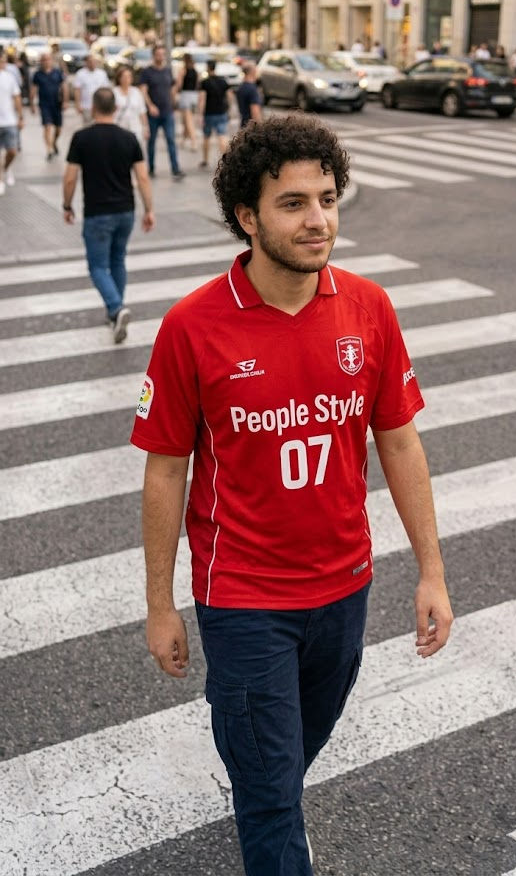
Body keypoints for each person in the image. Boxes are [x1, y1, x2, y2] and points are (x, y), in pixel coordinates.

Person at [130, 114, 454, 876]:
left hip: (345, 586)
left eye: (328, 199)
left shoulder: (367, 308)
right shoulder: (191, 326)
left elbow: (399, 440)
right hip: (243, 598)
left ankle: (263, 795)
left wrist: (431, 571)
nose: (319, 221)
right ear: (246, 217)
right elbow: (165, 469)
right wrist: (159, 602)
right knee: (273, 796)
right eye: (293, 204)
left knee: (282, 762)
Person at [62, 87, 155, 343]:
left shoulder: (81, 138)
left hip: (97, 213)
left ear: (93, 108)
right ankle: (115, 314)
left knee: (97, 266)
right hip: (126, 210)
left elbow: (70, 178)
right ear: (115, 108)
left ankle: (116, 307)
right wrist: (149, 210)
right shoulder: (129, 138)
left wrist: (67, 205)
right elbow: (143, 177)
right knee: (117, 261)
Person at [139, 43, 185, 179]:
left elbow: (172, 89)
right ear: (153, 55)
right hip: (153, 113)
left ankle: (175, 168)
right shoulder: (147, 72)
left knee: (171, 140)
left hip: (167, 112)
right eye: (158, 54)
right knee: (151, 141)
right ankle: (151, 168)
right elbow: (143, 90)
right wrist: (150, 105)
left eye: (162, 54)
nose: (161, 57)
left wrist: (174, 99)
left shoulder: (167, 70)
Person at [30, 52, 67, 160]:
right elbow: (33, 89)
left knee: (58, 128)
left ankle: (54, 142)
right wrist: (32, 104)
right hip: (44, 104)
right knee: (47, 126)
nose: (46, 62)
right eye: (44, 60)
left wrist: (65, 101)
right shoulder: (37, 74)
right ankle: (49, 148)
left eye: (48, 59)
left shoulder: (57, 73)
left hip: (57, 104)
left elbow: (64, 87)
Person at [197, 58, 231, 168]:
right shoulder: (223, 81)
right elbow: (230, 96)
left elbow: (202, 100)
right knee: (222, 136)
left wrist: (200, 114)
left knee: (207, 137)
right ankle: (226, 161)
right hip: (221, 112)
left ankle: (205, 160)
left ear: (207, 68)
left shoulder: (204, 83)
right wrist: (228, 109)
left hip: (209, 114)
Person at [0, 48, 24, 195]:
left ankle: (6, 168)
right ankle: (0, 179)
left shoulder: (9, 77)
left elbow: (17, 97)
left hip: (9, 120)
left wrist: (20, 117)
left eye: (4, 61)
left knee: (12, 151)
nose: (3, 63)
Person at [114, 64, 148, 147]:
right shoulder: (114, 92)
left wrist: (145, 128)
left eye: (128, 76)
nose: (126, 79)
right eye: (124, 76)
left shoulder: (136, 92)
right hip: (119, 128)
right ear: (119, 78)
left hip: (135, 129)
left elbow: (142, 111)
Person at [72, 53, 107, 125]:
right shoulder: (80, 73)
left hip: (99, 106)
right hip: (86, 106)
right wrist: (78, 104)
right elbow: (77, 90)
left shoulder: (102, 73)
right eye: (90, 62)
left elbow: (105, 89)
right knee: (88, 126)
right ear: (86, 62)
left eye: (94, 61)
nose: (92, 63)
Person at [176, 52, 198, 151]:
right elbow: (197, 84)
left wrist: (175, 92)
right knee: (186, 120)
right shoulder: (195, 71)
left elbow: (179, 85)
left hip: (185, 95)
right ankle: (183, 140)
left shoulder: (183, 70)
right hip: (194, 96)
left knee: (188, 120)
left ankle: (194, 142)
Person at [236, 62, 262, 127]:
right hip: (251, 127)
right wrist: (259, 127)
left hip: (243, 124)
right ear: (253, 72)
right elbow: (255, 112)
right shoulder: (252, 89)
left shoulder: (241, 87)